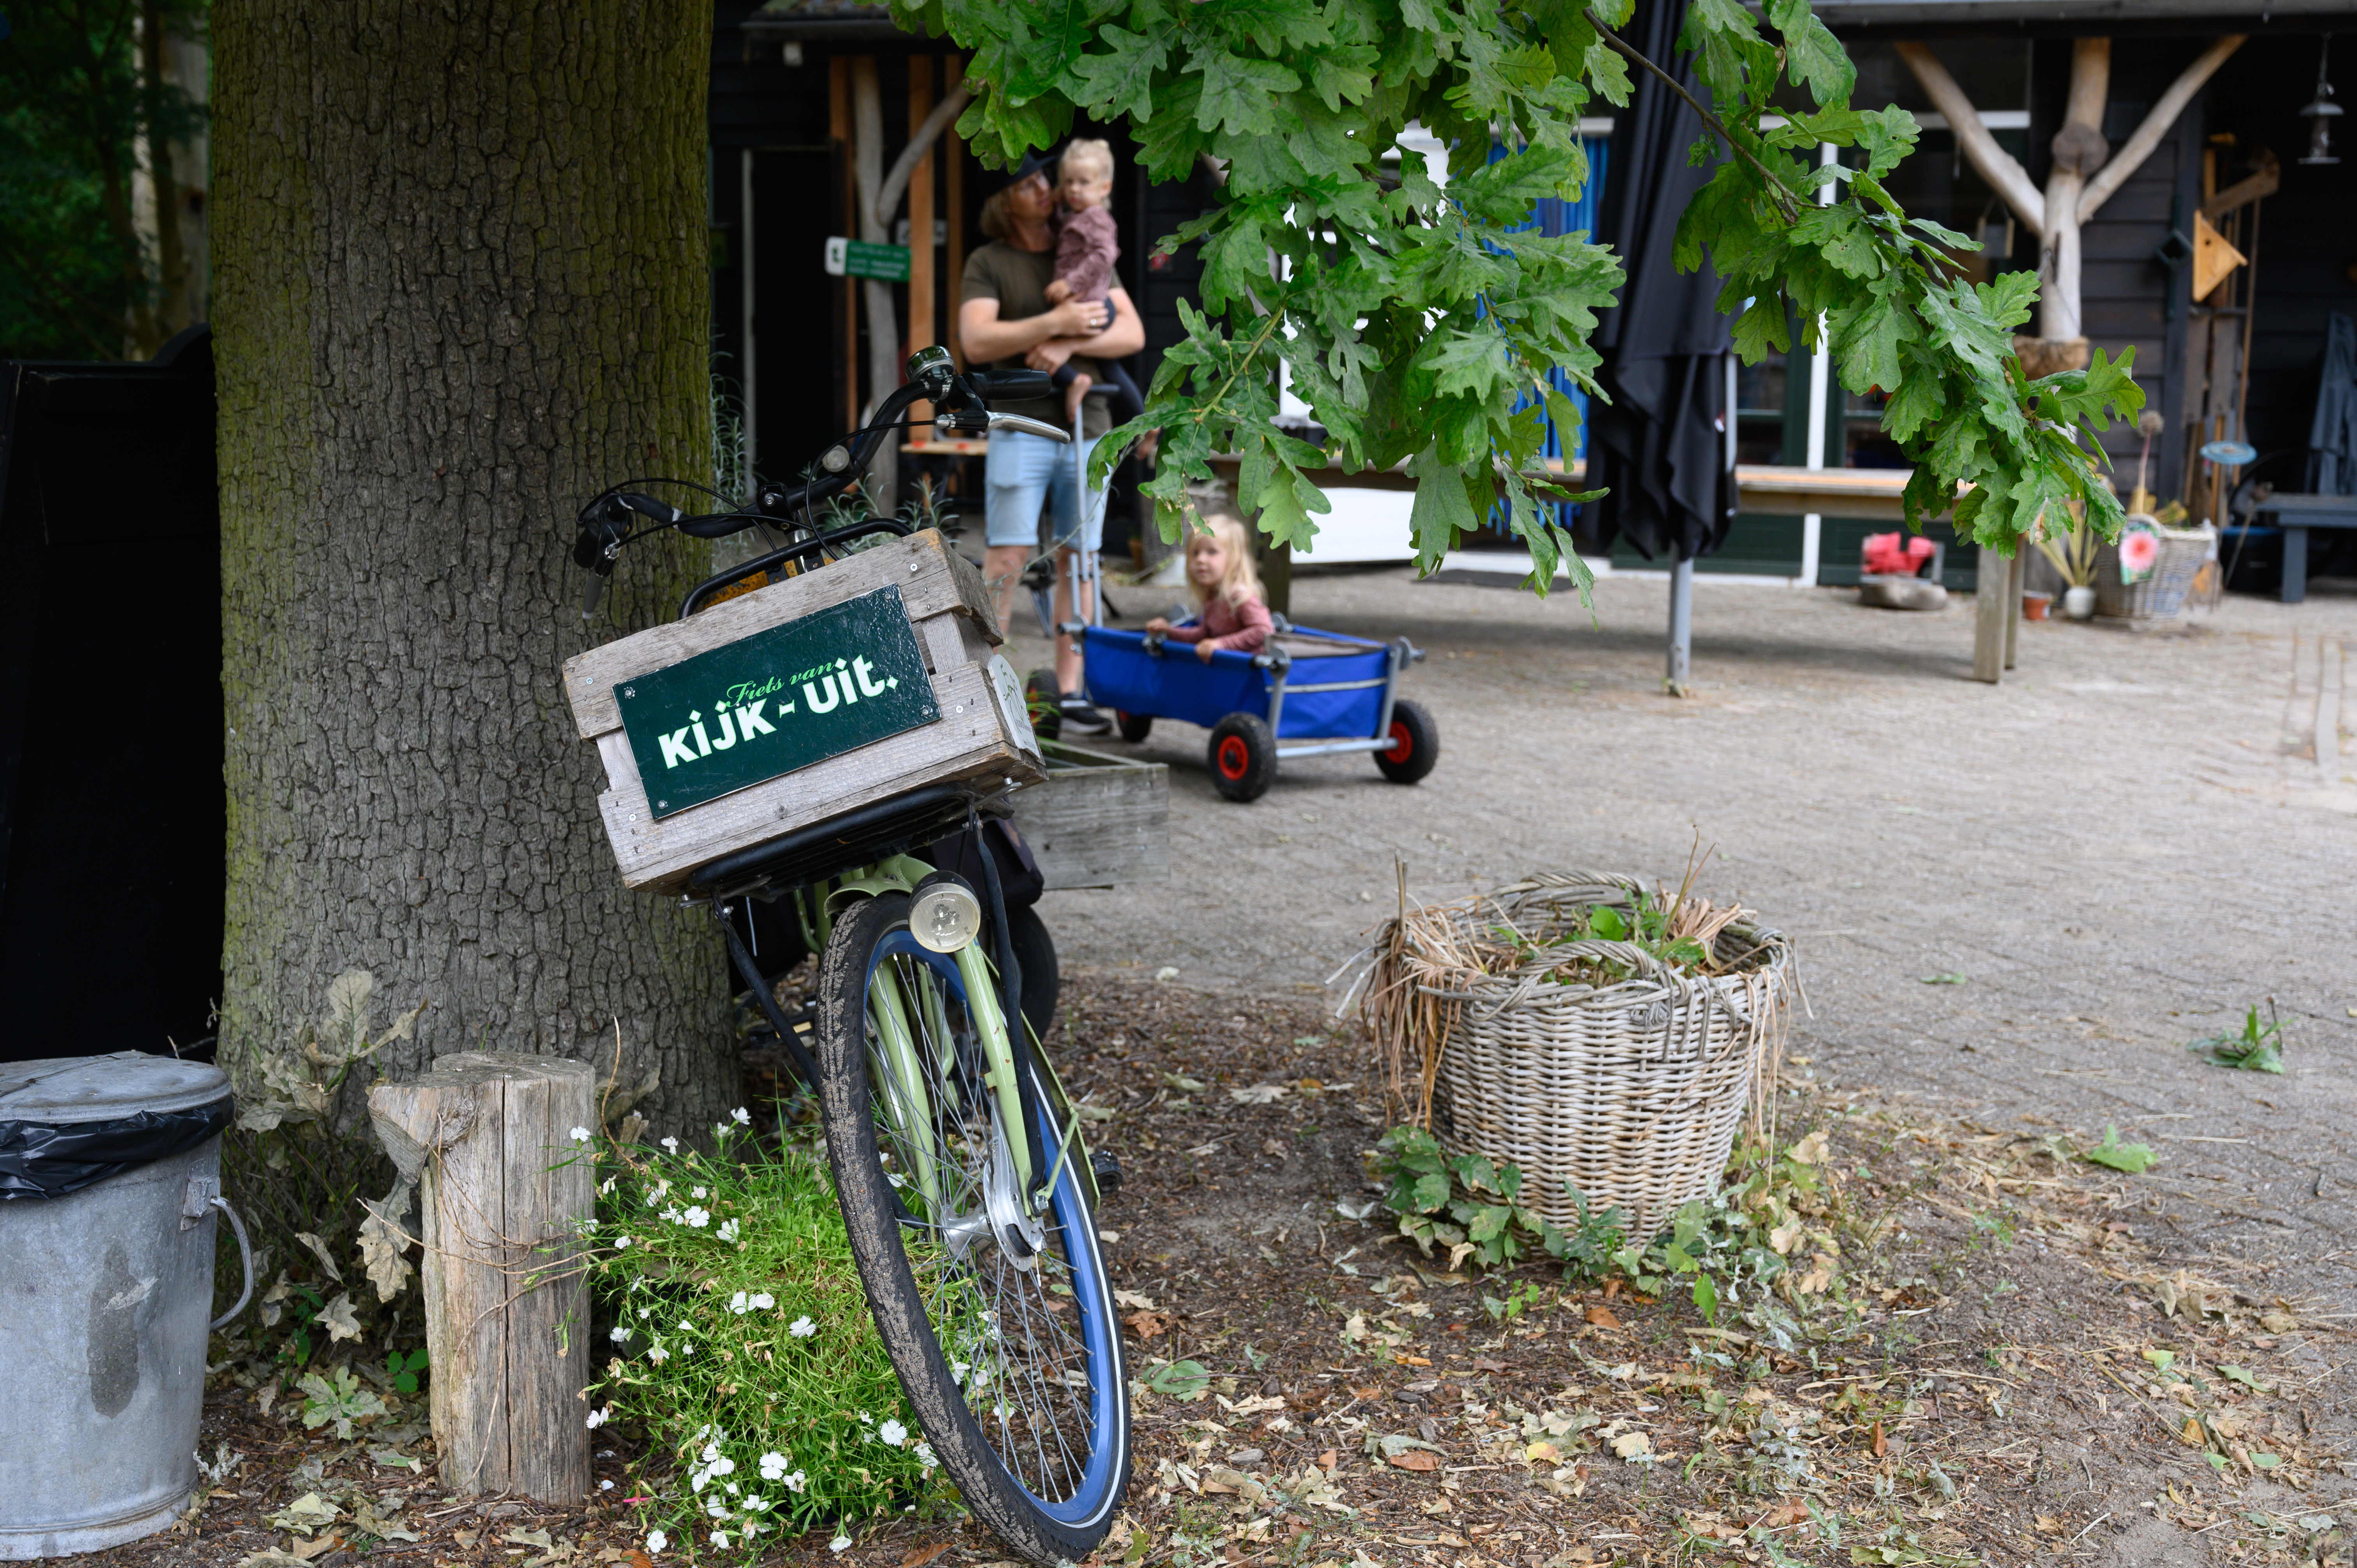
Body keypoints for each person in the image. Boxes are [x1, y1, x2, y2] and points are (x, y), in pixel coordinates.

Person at [958, 146, 1146, 732]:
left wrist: (1067, 345)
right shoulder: (990, 260)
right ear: (1003, 201)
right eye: (1027, 182)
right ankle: (988, 682)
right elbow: (977, 342)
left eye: (1046, 176)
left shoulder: (1082, 247)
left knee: (1081, 558)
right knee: (1008, 554)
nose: (1043, 187)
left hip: (1087, 427)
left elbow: (1132, 333)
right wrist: (1054, 323)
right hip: (1019, 424)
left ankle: (1073, 691)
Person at [1040, 139, 1145, 429]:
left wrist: (1071, 284)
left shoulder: (1097, 218)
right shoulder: (1079, 215)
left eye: (1084, 182)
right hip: (1091, 301)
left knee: (1041, 344)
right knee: (1110, 368)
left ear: (1104, 188)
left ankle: (1075, 382)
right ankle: (1146, 423)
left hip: (1091, 303)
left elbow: (1105, 254)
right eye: (1069, 181)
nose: (1075, 189)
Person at [1145, 513, 1272, 662]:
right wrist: (1168, 632)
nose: (1200, 559)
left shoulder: (1239, 596)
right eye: (1195, 553)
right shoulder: (1213, 595)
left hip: (1248, 675)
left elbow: (1264, 631)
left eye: (1212, 552)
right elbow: (1204, 636)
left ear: (1234, 559)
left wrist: (1221, 644)